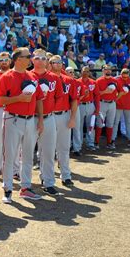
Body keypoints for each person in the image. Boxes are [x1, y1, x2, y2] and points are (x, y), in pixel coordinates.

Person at [0, 47, 44, 203]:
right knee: (10, 156)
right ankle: (8, 189)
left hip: (30, 119)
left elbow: (38, 99)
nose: (30, 58)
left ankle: (25, 187)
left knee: (28, 155)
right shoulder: (6, 76)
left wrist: (41, 120)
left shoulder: (32, 76)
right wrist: (18, 98)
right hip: (12, 118)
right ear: (18, 60)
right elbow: (0, 100)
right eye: (27, 56)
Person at [29, 49, 63, 195]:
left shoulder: (54, 78)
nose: (41, 61)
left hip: (49, 117)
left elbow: (57, 97)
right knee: (27, 152)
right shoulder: (27, 75)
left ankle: (48, 181)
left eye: (44, 58)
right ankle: (26, 183)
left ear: (47, 61)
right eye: (37, 58)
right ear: (32, 60)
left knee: (48, 152)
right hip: (29, 118)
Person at [51, 54, 78, 187]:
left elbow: (74, 100)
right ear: (50, 64)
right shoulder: (44, 79)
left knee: (64, 147)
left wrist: (73, 118)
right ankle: (47, 178)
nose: (57, 64)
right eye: (54, 62)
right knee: (48, 149)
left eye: (59, 62)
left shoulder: (69, 80)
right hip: (48, 116)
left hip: (64, 115)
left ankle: (66, 175)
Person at [94, 64, 124, 150]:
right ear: (102, 70)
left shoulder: (114, 80)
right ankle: (96, 142)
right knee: (99, 123)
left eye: (109, 69)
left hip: (112, 104)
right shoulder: (98, 81)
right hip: (102, 103)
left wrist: (115, 99)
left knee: (110, 123)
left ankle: (109, 142)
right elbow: (96, 94)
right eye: (106, 69)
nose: (108, 71)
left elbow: (121, 91)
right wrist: (105, 91)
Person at [73, 66, 99, 153]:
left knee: (90, 126)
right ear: (81, 72)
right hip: (80, 105)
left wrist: (97, 108)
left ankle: (90, 144)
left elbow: (97, 96)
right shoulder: (76, 82)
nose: (85, 73)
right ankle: (77, 146)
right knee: (78, 126)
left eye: (87, 71)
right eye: (84, 71)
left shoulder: (93, 82)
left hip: (90, 104)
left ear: (89, 73)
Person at [112, 68, 130, 146]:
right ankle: (112, 140)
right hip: (118, 105)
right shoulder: (116, 80)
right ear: (121, 74)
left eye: (126, 77)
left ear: (129, 75)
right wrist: (119, 96)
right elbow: (113, 93)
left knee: (128, 122)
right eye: (123, 77)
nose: (125, 78)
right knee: (115, 122)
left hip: (129, 105)